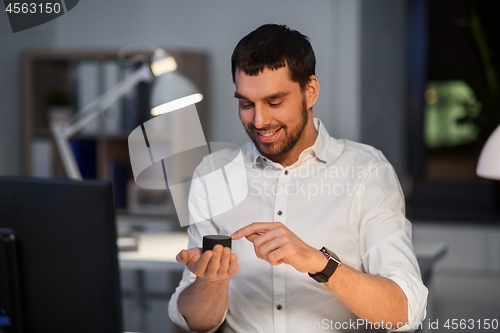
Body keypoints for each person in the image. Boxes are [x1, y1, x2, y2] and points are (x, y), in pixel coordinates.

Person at [168, 24, 428, 333]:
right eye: (247, 104)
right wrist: (212, 282)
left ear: (310, 91)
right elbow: (198, 323)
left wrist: (320, 263)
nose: (259, 121)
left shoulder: (367, 172)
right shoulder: (213, 175)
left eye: (274, 102)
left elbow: (406, 313)